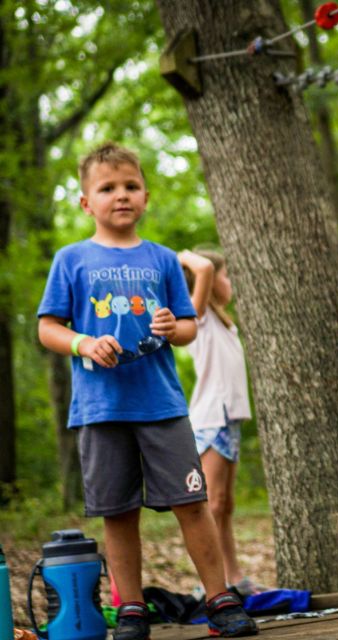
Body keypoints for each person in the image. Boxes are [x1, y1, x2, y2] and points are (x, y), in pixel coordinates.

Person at [36, 142, 257, 640]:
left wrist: (170, 326)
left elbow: (188, 327)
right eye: (108, 188)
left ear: (146, 196)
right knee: (117, 511)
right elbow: (48, 327)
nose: (121, 196)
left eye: (131, 186)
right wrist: (85, 343)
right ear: (85, 202)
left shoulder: (160, 259)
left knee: (191, 502)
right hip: (100, 409)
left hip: (162, 406)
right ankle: (133, 609)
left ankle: (219, 598)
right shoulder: (71, 259)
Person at [179, 248, 265, 596]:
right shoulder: (196, 315)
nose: (230, 283)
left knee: (224, 504)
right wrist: (189, 258)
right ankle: (211, 583)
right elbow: (200, 270)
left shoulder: (223, 321)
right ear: (210, 283)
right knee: (211, 503)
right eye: (225, 276)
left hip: (228, 418)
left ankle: (233, 576)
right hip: (210, 418)